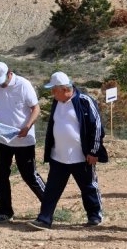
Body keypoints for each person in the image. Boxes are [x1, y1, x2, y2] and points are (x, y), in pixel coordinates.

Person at [28, 72, 107, 231]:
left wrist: (93, 151)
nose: (51, 93)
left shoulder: (85, 101)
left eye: (54, 90)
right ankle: (44, 219)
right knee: (51, 189)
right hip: (59, 156)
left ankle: (95, 216)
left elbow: (97, 127)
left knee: (88, 187)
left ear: (65, 89)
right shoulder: (57, 102)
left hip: (81, 156)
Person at [0, 62, 45, 223]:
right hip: (2, 138)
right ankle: (5, 211)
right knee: (0, 176)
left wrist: (27, 126)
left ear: (10, 73)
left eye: (2, 80)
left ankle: (48, 205)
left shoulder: (23, 85)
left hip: (24, 139)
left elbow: (36, 108)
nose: (0, 85)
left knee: (29, 175)